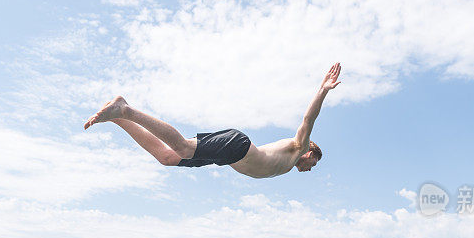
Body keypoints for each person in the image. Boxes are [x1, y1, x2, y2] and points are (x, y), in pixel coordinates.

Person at [84, 63, 341, 178]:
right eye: (313, 163)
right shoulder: (298, 147)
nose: (310, 169)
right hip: (237, 146)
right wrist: (322, 91)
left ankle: (117, 118)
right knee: (183, 147)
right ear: (309, 152)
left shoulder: (290, 162)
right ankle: (126, 110)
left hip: (227, 157)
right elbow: (309, 120)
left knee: (167, 158)